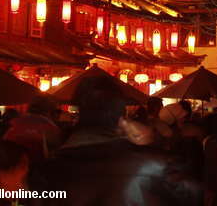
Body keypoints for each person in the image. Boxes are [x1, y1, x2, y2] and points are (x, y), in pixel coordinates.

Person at [40, 76, 202, 205]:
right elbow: (192, 195)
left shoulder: (46, 170)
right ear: (121, 114)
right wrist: (150, 148)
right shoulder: (154, 166)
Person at [3, 96, 61, 164]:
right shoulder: (50, 127)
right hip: (37, 167)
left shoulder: (14, 122)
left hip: (12, 165)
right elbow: (54, 152)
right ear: (49, 110)